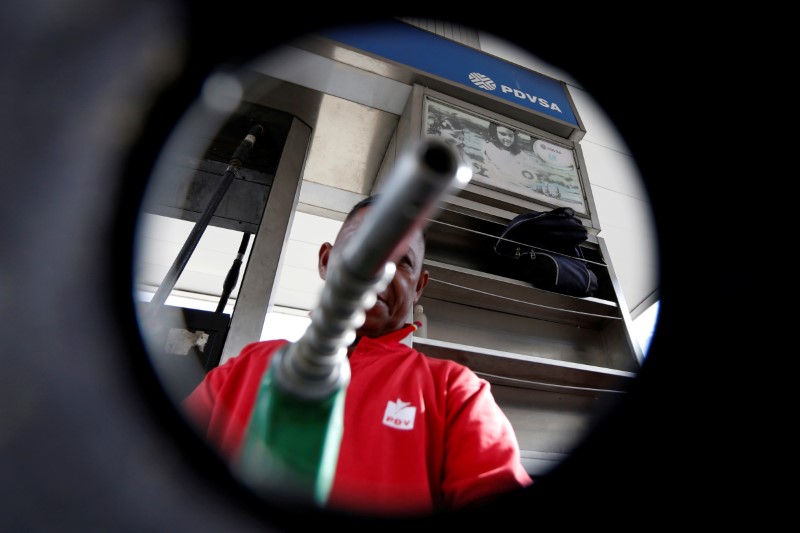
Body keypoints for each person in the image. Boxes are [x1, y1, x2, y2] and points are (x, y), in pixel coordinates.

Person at [182, 195, 533, 516]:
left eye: (403, 263)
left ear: (418, 287)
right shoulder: (244, 369)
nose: (380, 269)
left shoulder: (455, 392)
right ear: (326, 260)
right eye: (364, 247)